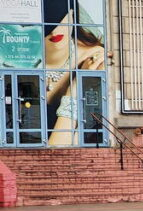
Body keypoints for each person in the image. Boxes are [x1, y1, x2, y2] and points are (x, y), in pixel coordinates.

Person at [44, 0, 105, 146]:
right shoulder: (13, 62)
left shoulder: (93, 60)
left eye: (60, 18)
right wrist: (74, 89)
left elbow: (59, 149)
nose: (55, 30)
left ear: (72, 13)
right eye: (47, 22)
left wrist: (76, 87)